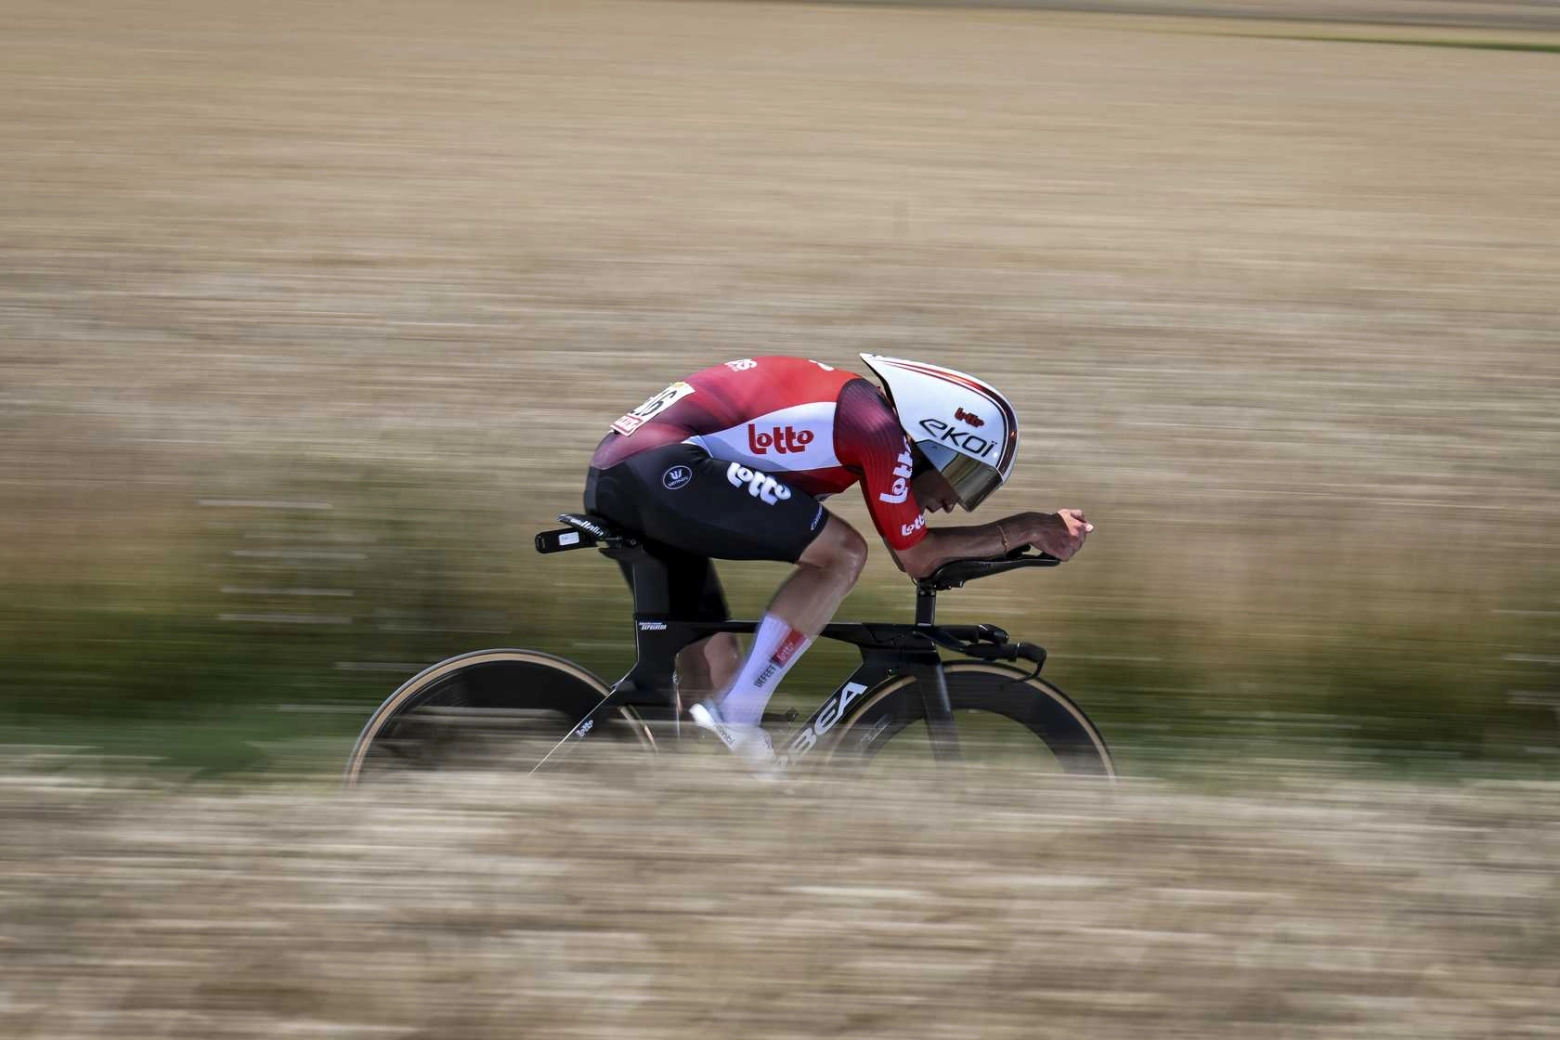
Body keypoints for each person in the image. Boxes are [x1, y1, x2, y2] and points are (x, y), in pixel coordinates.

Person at [583, 354, 1092, 766]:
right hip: (662, 468)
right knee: (843, 553)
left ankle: (675, 790)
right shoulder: (878, 431)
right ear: (929, 440)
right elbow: (916, 557)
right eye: (963, 475)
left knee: (713, 673)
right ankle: (740, 713)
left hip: (631, 472)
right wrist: (1024, 528)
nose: (956, 499)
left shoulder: (861, 414)